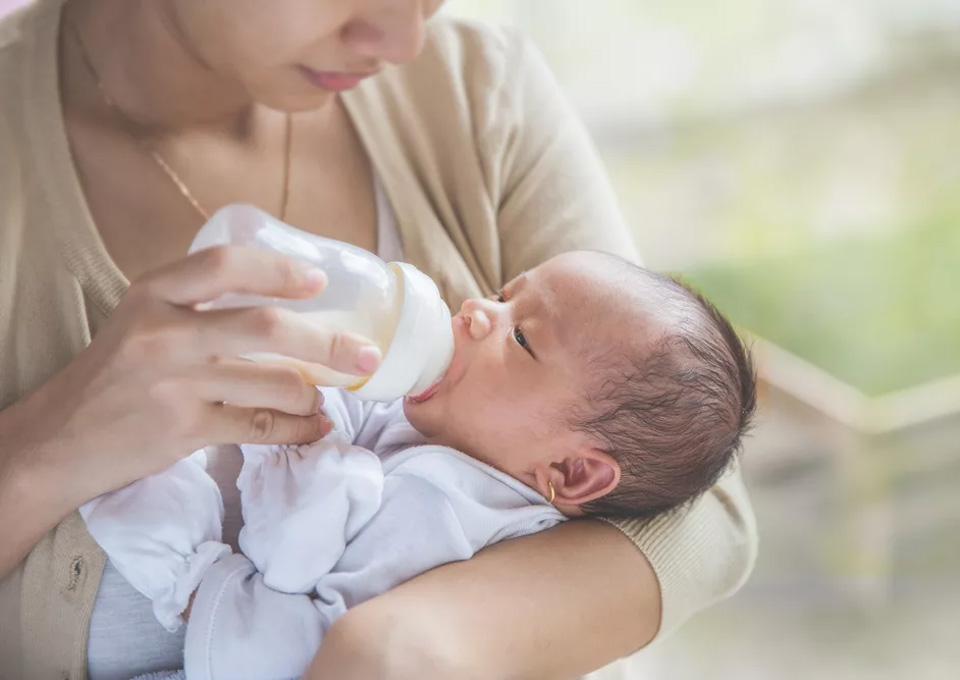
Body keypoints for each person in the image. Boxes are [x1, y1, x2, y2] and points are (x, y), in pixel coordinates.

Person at [0, 0, 758, 678]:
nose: (400, 39)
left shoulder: (474, 89)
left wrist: (398, 646)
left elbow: (701, 509)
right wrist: (51, 445)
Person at [79, 251, 757, 679]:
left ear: (573, 474)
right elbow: (352, 417)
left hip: (255, 643)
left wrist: (312, 456)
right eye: (501, 293)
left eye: (520, 336)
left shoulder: (454, 511)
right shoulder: (448, 423)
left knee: (154, 507)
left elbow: (296, 560)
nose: (476, 312)